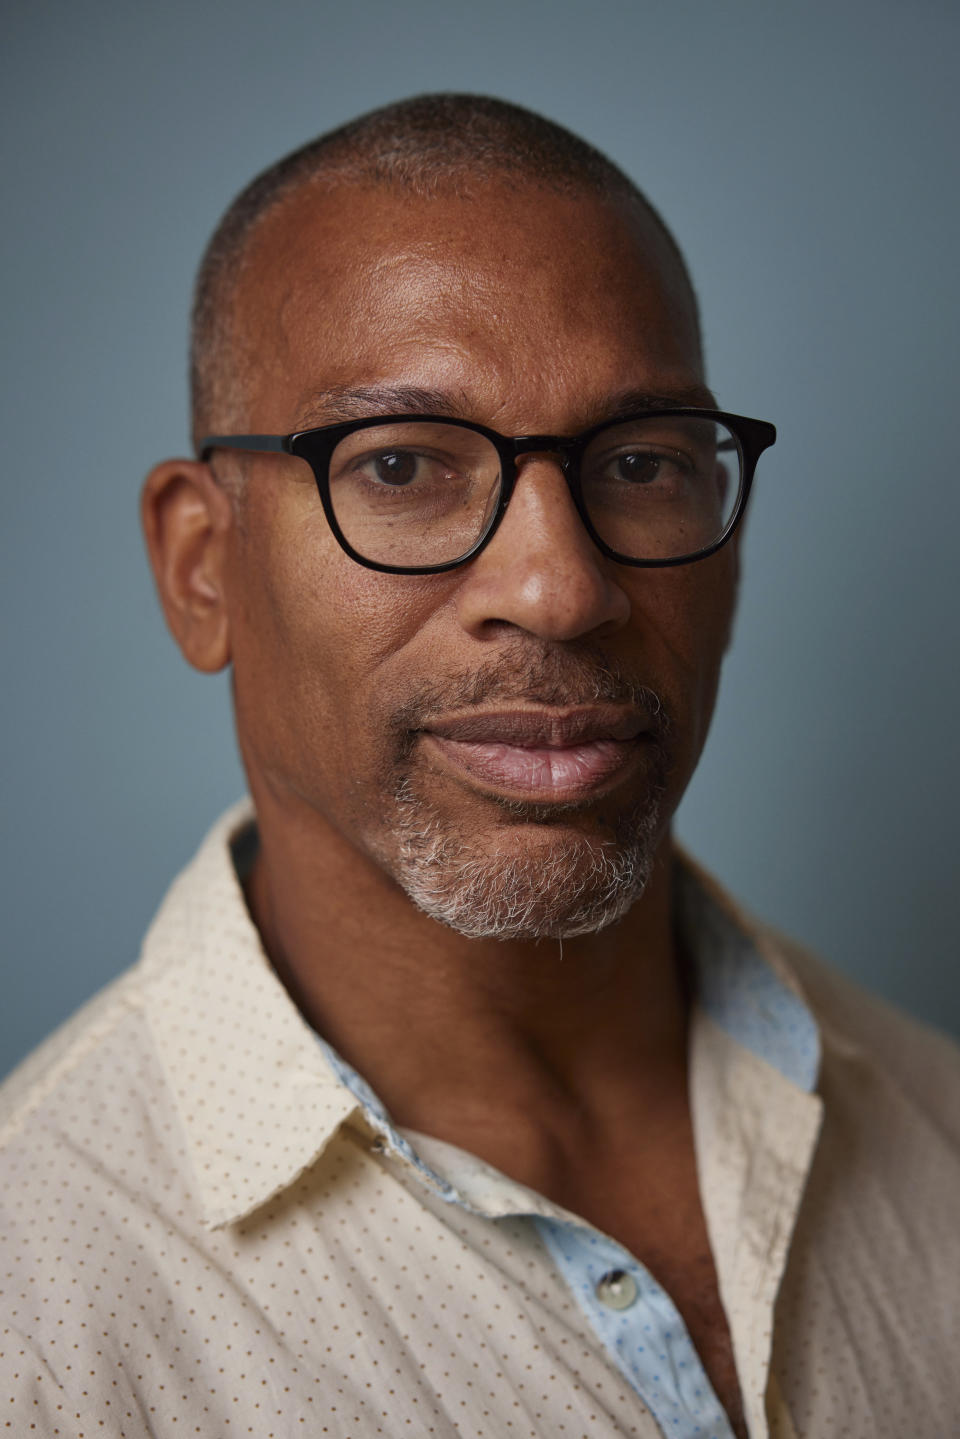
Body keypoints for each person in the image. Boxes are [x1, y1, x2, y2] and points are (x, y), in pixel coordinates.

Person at [1, 94, 957, 1439]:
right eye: (400, 466)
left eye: (640, 464)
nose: (561, 586)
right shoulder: (33, 1322)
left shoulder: (936, 1122)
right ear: (202, 566)